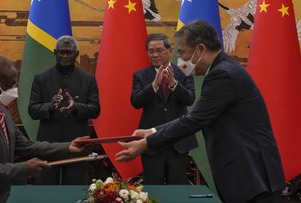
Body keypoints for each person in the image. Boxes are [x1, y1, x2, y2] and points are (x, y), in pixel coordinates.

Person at [116, 20, 285, 203]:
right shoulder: (223, 69)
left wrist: (147, 143)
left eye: (181, 53)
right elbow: (193, 117)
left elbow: (194, 120)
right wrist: (152, 131)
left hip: (253, 177)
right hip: (246, 176)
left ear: (200, 49)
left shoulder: (223, 75)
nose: (180, 61)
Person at [0, 56, 88, 203]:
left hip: (0, 197)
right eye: (11, 85)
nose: (15, 91)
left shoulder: (0, 110)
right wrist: (25, 169)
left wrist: (68, 147)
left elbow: (25, 145)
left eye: (16, 84)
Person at [28, 35, 100, 185]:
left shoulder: (88, 79)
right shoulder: (41, 78)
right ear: (55, 52)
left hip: (78, 143)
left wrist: (76, 107)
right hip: (48, 144)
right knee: (46, 188)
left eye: (69, 52)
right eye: (62, 52)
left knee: (76, 188)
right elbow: (32, 110)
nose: (65, 56)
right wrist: (50, 105)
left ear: (77, 54)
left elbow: (95, 110)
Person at [131, 33, 197, 184]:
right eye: (151, 51)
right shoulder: (140, 76)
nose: (155, 55)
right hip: (151, 142)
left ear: (169, 50)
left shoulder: (184, 72)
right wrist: (153, 86)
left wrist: (174, 84)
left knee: (177, 187)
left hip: (178, 142)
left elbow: (190, 99)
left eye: (159, 50)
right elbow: (135, 102)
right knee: (153, 188)